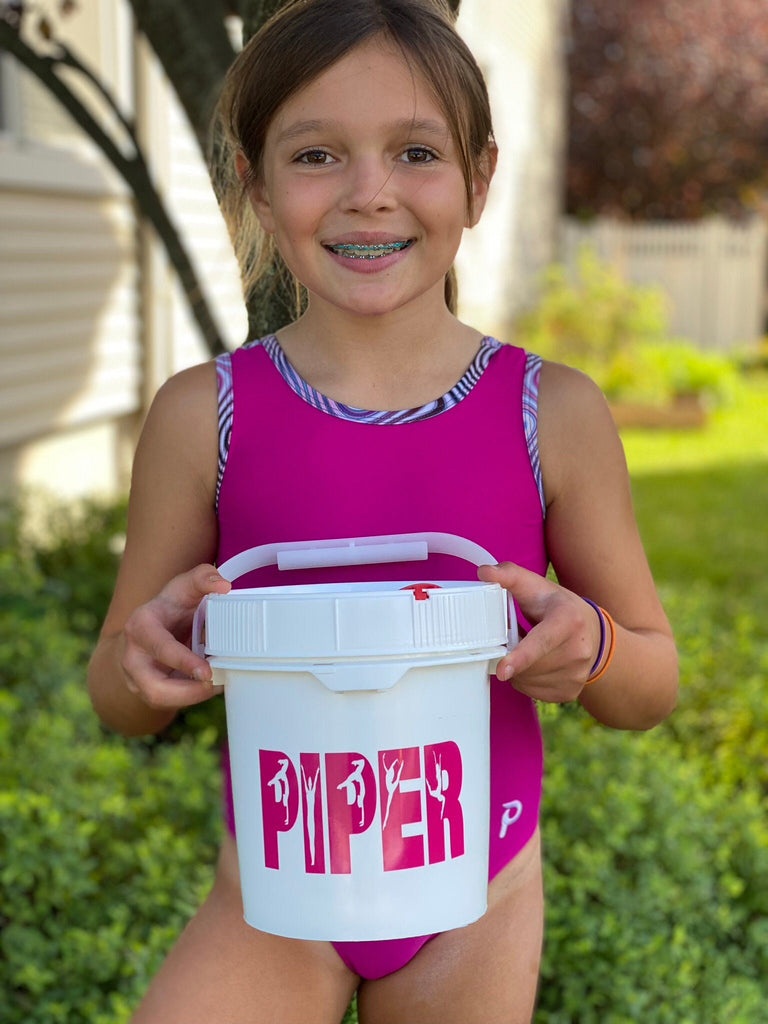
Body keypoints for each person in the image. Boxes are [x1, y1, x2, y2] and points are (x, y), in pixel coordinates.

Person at [87, 1, 678, 1021]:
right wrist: (146, 662)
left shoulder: (554, 414)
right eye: (316, 155)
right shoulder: (203, 417)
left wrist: (595, 652)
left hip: (473, 903)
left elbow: (653, 677)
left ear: (478, 180)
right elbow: (116, 686)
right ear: (257, 185)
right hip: (272, 896)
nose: (370, 196)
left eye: (415, 151)